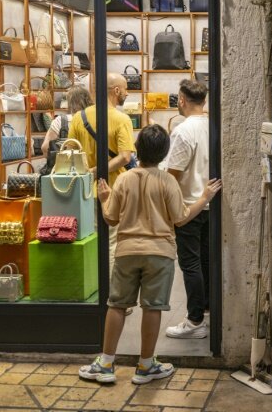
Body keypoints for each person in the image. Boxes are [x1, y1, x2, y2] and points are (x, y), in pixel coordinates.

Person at [78, 124, 221, 385]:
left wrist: (104, 198)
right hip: (160, 253)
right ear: (165, 152)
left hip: (127, 251)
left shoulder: (124, 179)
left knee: (117, 305)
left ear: (137, 150)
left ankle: (106, 363)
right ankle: (145, 366)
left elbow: (110, 218)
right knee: (152, 308)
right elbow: (180, 219)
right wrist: (204, 197)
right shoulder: (168, 181)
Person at [68, 73, 136, 272]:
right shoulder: (121, 119)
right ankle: (112, 292)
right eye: (125, 89)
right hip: (114, 190)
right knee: (113, 241)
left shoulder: (79, 118)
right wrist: (98, 170)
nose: (127, 93)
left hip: (85, 191)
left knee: (90, 239)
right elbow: (125, 157)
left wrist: (89, 171)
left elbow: (71, 150)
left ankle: (94, 287)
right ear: (116, 91)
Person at [165, 80, 211, 339]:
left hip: (188, 206)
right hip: (208, 202)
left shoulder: (183, 131)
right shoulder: (212, 126)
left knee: (191, 264)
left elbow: (173, 173)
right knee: (205, 261)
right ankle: (204, 310)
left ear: (182, 99)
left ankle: (194, 321)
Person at [41, 85, 93, 156]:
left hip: (65, 165)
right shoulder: (96, 119)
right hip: (92, 165)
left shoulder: (61, 120)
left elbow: (45, 147)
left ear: (70, 102)